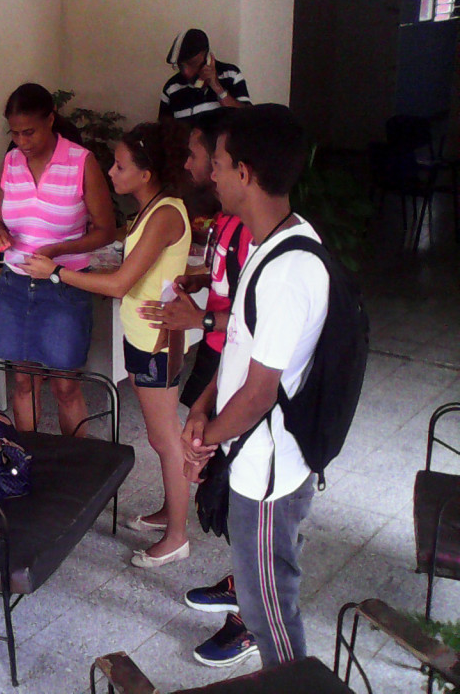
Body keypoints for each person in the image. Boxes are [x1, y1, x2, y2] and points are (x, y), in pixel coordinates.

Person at [182, 104, 327, 669]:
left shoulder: (291, 269)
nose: (210, 174)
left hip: (268, 472)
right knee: (259, 587)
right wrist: (203, 400)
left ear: (244, 172)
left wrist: (205, 440)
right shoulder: (269, 243)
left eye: (216, 162)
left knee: (269, 611)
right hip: (251, 449)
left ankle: (290, 685)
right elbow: (246, 346)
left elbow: (263, 391)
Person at [25, 121, 191, 567]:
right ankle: (168, 513)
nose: (111, 173)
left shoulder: (166, 214)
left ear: (146, 171)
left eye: (119, 166)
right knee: (162, 436)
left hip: (157, 343)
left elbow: (120, 284)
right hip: (142, 337)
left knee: (164, 438)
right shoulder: (151, 209)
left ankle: (177, 536)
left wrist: (56, 273)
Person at [136, 116, 257, 665]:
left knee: (237, 482)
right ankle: (243, 582)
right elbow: (229, 298)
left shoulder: (261, 236)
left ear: (233, 166)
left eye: (199, 155)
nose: (188, 164)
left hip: (242, 379)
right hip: (219, 367)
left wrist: (200, 320)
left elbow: (252, 328)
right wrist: (201, 286)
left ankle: (254, 617)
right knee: (222, 478)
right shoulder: (228, 223)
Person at [0, 83, 116, 436]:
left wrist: (57, 251)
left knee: (65, 386)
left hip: (63, 285)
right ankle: (26, 460)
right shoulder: (11, 162)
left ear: (51, 120)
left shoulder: (81, 162)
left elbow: (106, 230)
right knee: (24, 383)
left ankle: (75, 468)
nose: (21, 142)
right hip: (15, 284)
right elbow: (0, 216)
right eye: (14, 133)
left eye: (29, 131)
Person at [159, 29, 250, 124]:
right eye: (180, 66)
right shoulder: (171, 88)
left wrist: (218, 88)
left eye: (192, 64)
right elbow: (163, 132)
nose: (186, 72)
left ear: (207, 58)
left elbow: (248, 119)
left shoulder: (230, 74)